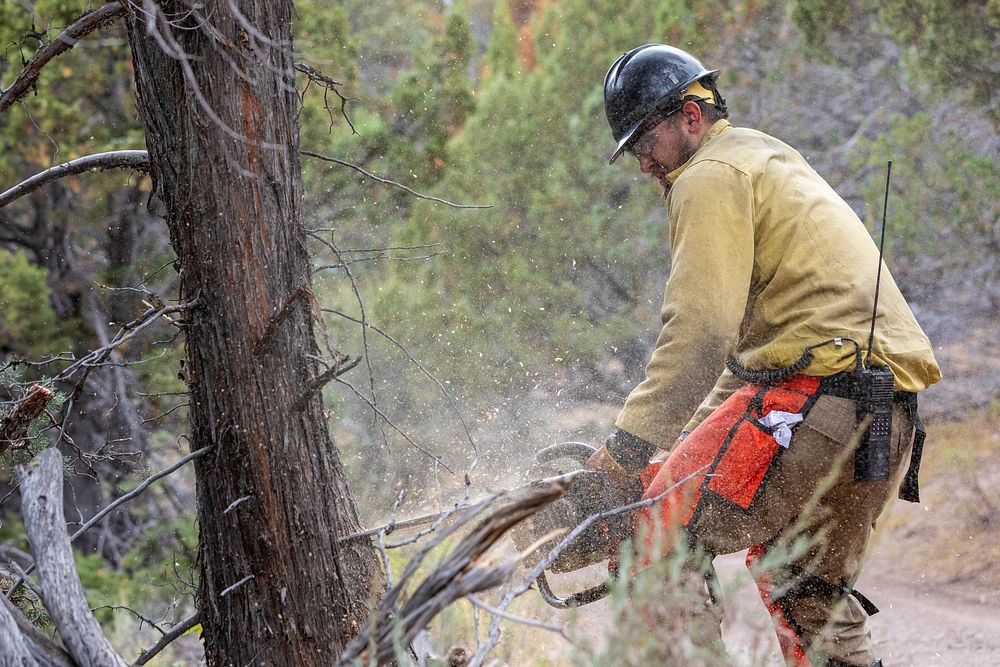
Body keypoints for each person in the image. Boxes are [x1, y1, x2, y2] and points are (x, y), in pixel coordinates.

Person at [586, 43, 941, 667]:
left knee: (657, 539)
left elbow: (700, 333)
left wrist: (626, 453)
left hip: (819, 399)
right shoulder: (762, 156)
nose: (643, 162)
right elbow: (752, 365)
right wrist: (672, 446)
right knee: (805, 590)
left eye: (646, 139)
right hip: (884, 415)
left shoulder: (708, 177)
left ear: (690, 117)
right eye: (633, 149)